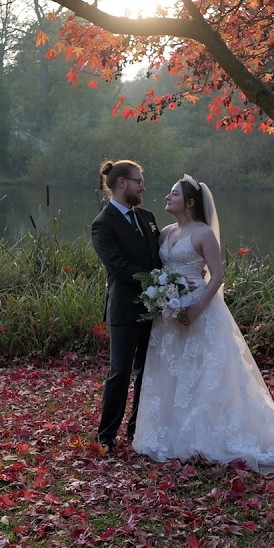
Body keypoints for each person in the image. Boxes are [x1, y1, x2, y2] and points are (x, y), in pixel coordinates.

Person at [132, 175, 274, 475]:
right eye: (169, 193)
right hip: (169, 313)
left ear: (191, 202)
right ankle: (169, 431)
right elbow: (163, 270)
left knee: (203, 370)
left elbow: (217, 276)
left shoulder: (203, 233)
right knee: (171, 371)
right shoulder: (166, 232)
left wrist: (196, 307)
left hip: (199, 308)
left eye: (174, 194)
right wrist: (163, 297)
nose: (167, 197)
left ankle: (207, 431)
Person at [90, 159, 163, 454]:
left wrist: (169, 285)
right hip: (124, 309)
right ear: (122, 183)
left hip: (155, 307)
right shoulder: (103, 224)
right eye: (138, 181)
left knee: (147, 371)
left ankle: (138, 430)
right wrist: (154, 283)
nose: (142, 186)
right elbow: (119, 267)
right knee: (120, 372)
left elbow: (159, 256)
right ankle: (106, 436)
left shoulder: (147, 216)